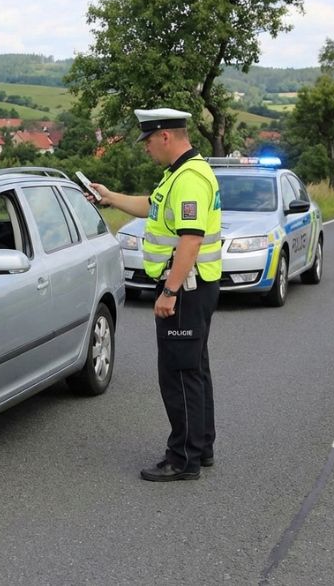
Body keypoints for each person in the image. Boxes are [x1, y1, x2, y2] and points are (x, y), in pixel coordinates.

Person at [88, 107, 222, 482]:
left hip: (186, 288)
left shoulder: (190, 179)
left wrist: (170, 291)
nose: (146, 148)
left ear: (165, 135)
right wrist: (110, 196)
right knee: (193, 369)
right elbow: (152, 206)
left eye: (148, 140)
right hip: (194, 288)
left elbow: (191, 240)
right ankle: (201, 446)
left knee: (178, 373)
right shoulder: (177, 176)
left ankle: (182, 458)